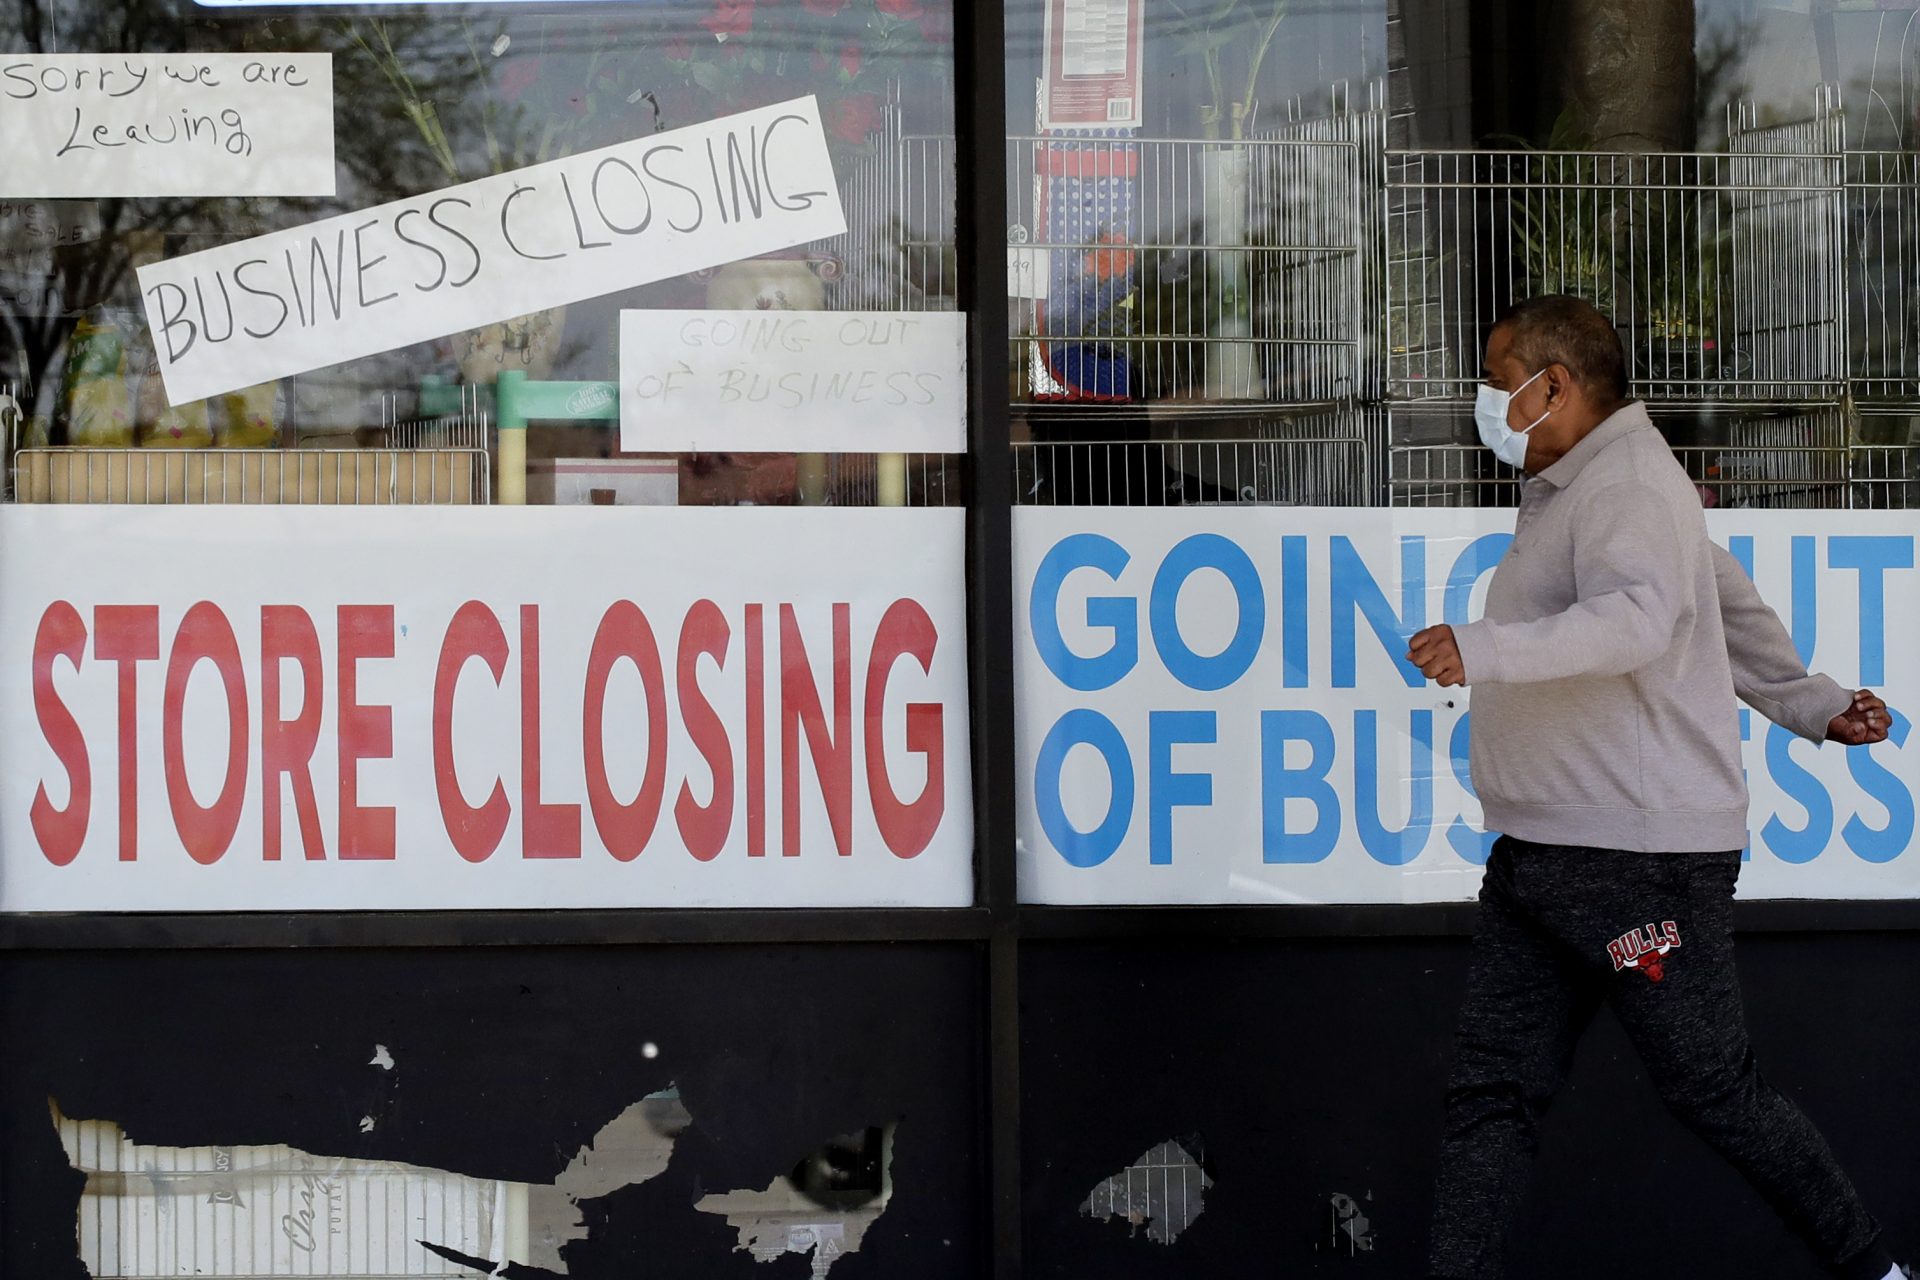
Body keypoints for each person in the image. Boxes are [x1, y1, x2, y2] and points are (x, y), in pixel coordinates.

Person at [1406, 295, 1907, 1280]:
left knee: (1714, 1087)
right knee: (1490, 1093)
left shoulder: (1628, 483)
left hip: (1638, 866)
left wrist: (1483, 647)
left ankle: (1874, 1270)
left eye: (1500, 382)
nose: (1487, 402)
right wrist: (1811, 700)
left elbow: (1638, 618)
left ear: (1557, 385)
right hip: (1539, 857)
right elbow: (1712, 587)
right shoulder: (1584, 480)